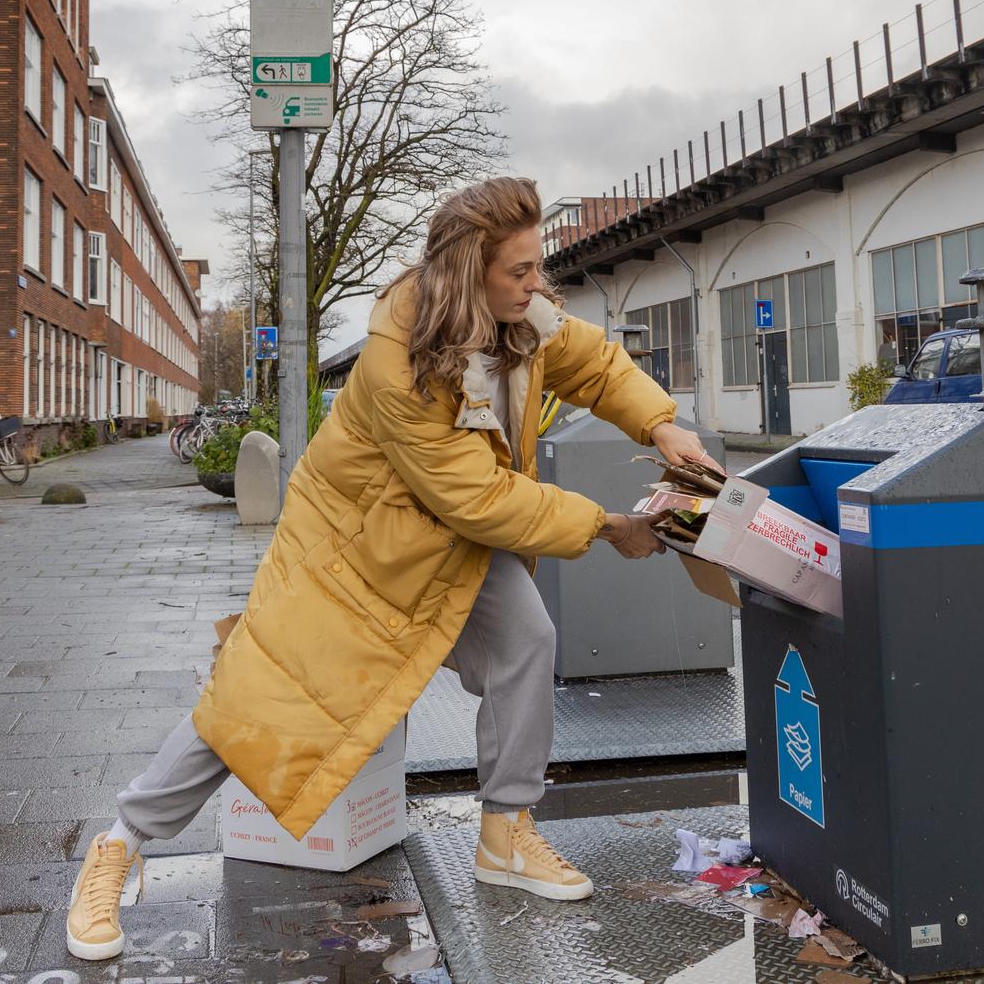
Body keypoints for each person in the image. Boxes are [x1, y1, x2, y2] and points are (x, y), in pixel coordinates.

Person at [65, 176, 714, 961]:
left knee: (526, 640)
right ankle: (118, 846)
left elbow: (594, 363)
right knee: (256, 699)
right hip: (358, 554)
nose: (537, 282)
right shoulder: (401, 362)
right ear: (470, 273)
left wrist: (663, 421)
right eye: (520, 270)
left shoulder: (521, 317)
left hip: (454, 542)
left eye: (536, 266)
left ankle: (507, 830)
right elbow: (475, 496)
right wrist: (609, 527)